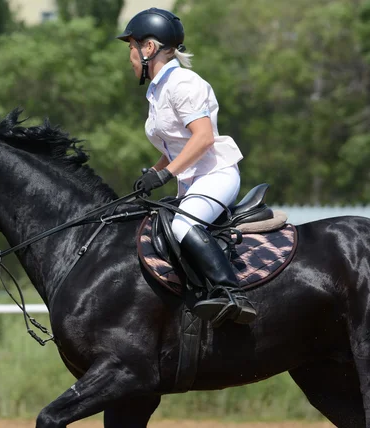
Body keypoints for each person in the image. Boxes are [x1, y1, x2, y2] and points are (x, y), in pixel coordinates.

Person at [116, 8, 257, 326]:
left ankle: (231, 294)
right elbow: (177, 144)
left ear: (148, 48)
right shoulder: (160, 89)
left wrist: (166, 173)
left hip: (215, 175)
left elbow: (203, 138)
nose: (130, 58)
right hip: (193, 180)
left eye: (131, 49)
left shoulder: (182, 84)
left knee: (181, 227)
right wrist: (155, 171)